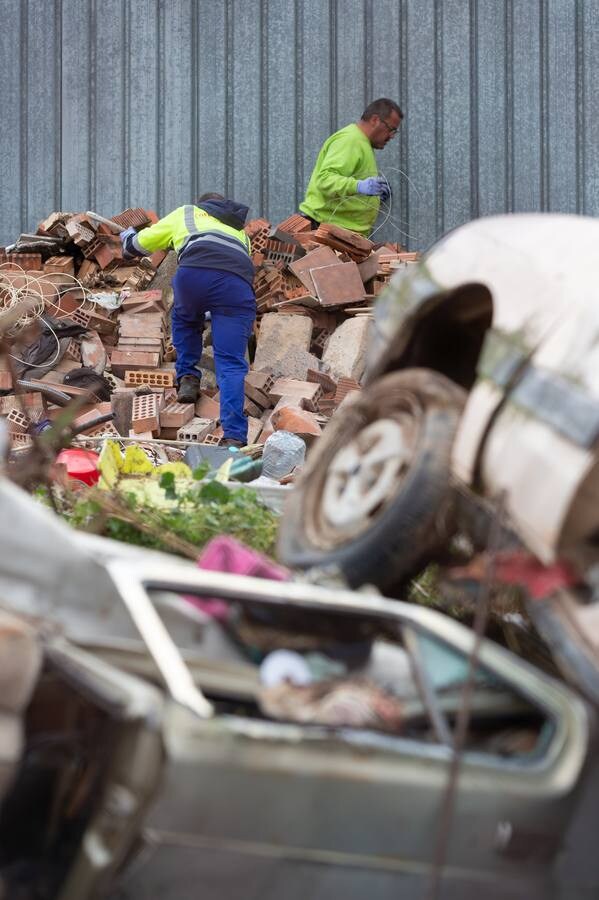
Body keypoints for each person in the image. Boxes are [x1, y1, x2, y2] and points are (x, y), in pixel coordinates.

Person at [120, 193, 255, 448]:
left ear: (202, 204)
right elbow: (230, 271)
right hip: (238, 288)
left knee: (185, 319)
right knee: (231, 363)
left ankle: (188, 379)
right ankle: (234, 437)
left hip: (194, 276)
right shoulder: (241, 233)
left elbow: (136, 247)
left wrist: (127, 238)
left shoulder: (187, 212)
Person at [299, 98, 403, 236]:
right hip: (324, 231)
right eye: (391, 129)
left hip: (339, 234)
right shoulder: (351, 140)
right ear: (375, 120)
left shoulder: (362, 143)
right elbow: (324, 179)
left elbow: (347, 182)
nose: (391, 136)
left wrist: (374, 198)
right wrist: (359, 186)